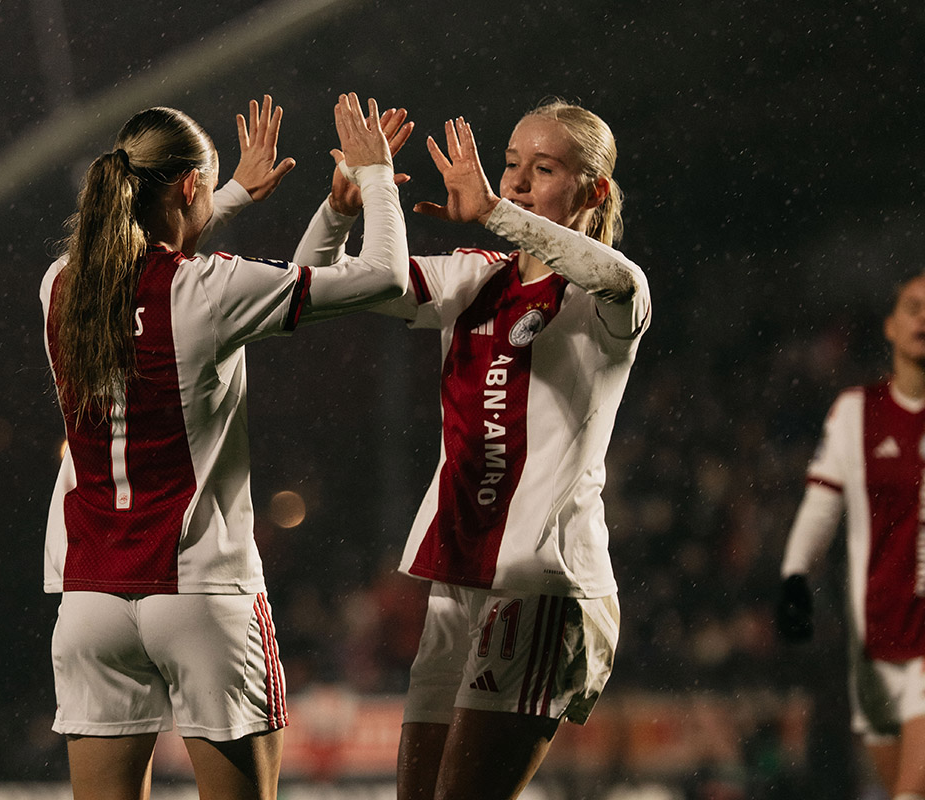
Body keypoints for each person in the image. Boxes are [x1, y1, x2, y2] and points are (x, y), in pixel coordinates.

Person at [39, 93, 409, 800]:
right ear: (187, 188)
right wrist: (376, 179)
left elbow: (137, 250)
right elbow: (384, 277)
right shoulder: (207, 289)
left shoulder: (59, 286)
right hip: (200, 590)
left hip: (91, 601)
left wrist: (232, 191)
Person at [294, 99, 650, 799]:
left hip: (542, 584)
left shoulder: (607, 297)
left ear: (594, 191)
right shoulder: (475, 278)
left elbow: (620, 277)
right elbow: (313, 292)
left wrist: (494, 211)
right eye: (510, 165)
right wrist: (343, 207)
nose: (513, 183)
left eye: (541, 170)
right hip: (460, 580)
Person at [778, 273, 925, 800]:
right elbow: (822, 504)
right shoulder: (855, 413)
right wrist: (795, 574)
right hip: (874, 632)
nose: (923, 318)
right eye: (912, 306)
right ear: (889, 325)